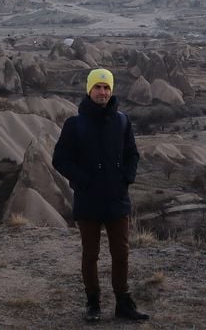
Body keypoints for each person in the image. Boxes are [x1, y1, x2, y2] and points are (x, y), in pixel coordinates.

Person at [52, 68, 149, 322]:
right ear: (89, 89)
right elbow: (60, 159)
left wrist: (126, 178)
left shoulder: (122, 121)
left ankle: (123, 304)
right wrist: (83, 180)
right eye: (98, 87)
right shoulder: (75, 124)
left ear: (111, 90)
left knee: (121, 253)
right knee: (90, 255)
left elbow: (132, 154)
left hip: (117, 198)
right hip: (88, 199)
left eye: (106, 87)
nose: (102, 92)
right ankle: (93, 303)